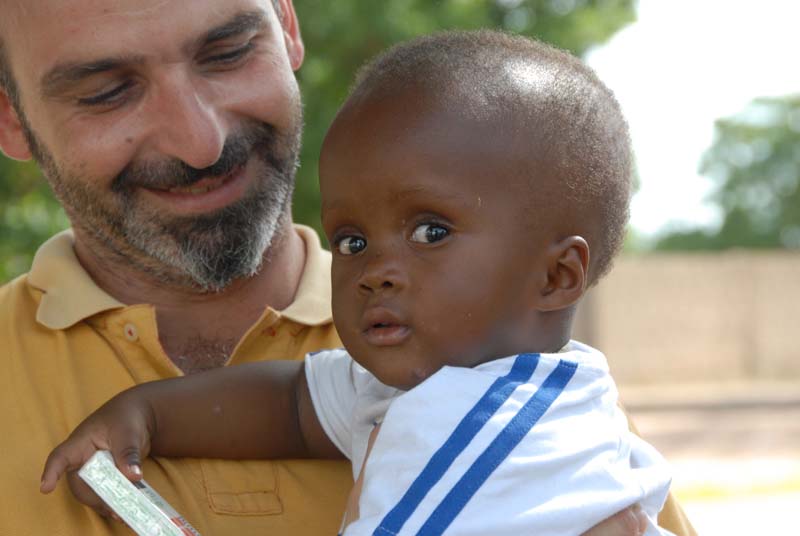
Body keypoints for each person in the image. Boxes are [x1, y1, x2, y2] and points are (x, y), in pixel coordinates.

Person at [0, 1, 695, 535]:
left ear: (287, 26)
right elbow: (294, 404)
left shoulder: (516, 399)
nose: (199, 140)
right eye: (105, 91)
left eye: (228, 51)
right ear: (10, 118)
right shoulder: (381, 370)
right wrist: (141, 414)